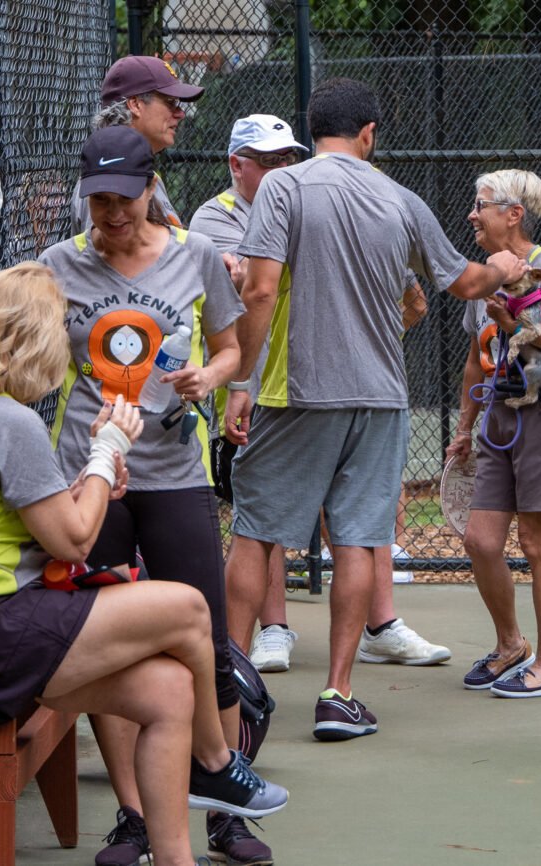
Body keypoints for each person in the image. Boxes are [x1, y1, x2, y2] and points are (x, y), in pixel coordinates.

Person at [0, 262, 287, 866]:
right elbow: (75, 542)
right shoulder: (5, 418)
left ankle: (176, 856)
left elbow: (47, 520)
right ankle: (214, 766)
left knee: (168, 689)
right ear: (34, 339)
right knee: (187, 608)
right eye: (57, 328)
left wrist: (95, 475)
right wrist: (107, 450)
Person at [222, 77, 529, 742]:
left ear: (316, 131)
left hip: (302, 392)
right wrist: (504, 264)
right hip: (381, 398)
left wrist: (240, 379)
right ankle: (338, 694)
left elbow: (260, 289)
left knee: (255, 531)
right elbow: (463, 282)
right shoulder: (400, 198)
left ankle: (228, 696)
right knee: (360, 538)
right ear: (368, 135)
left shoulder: (284, 187)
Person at [39, 126, 282, 866]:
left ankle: (222, 807)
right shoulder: (58, 265)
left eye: (123, 199)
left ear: (151, 190)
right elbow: (36, 356)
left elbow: (235, 345)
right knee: (108, 647)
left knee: (205, 638)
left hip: (174, 466)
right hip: (92, 475)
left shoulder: (196, 255)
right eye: (98, 201)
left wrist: (212, 379)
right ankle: (137, 816)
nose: (110, 215)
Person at [446, 169, 541, 698]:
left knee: (535, 540)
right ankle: (512, 646)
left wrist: (515, 326)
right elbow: (474, 364)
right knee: (480, 539)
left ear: (513, 214)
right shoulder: (480, 276)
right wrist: (465, 428)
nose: (471, 215)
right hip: (498, 419)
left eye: (480, 204)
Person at [189, 113, 308, 678]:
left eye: (289, 160)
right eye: (270, 162)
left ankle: (371, 625)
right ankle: (266, 630)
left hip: (295, 378)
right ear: (238, 165)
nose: (283, 170)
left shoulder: (295, 207)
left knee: (280, 504)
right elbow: (239, 289)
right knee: (254, 510)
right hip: (242, 384)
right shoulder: (213, 218)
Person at [71, 54, 204, 234]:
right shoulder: (103, 179)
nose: (180, 113)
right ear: (135, 104)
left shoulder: (148, 175)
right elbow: (106, 259)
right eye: (170, 102)